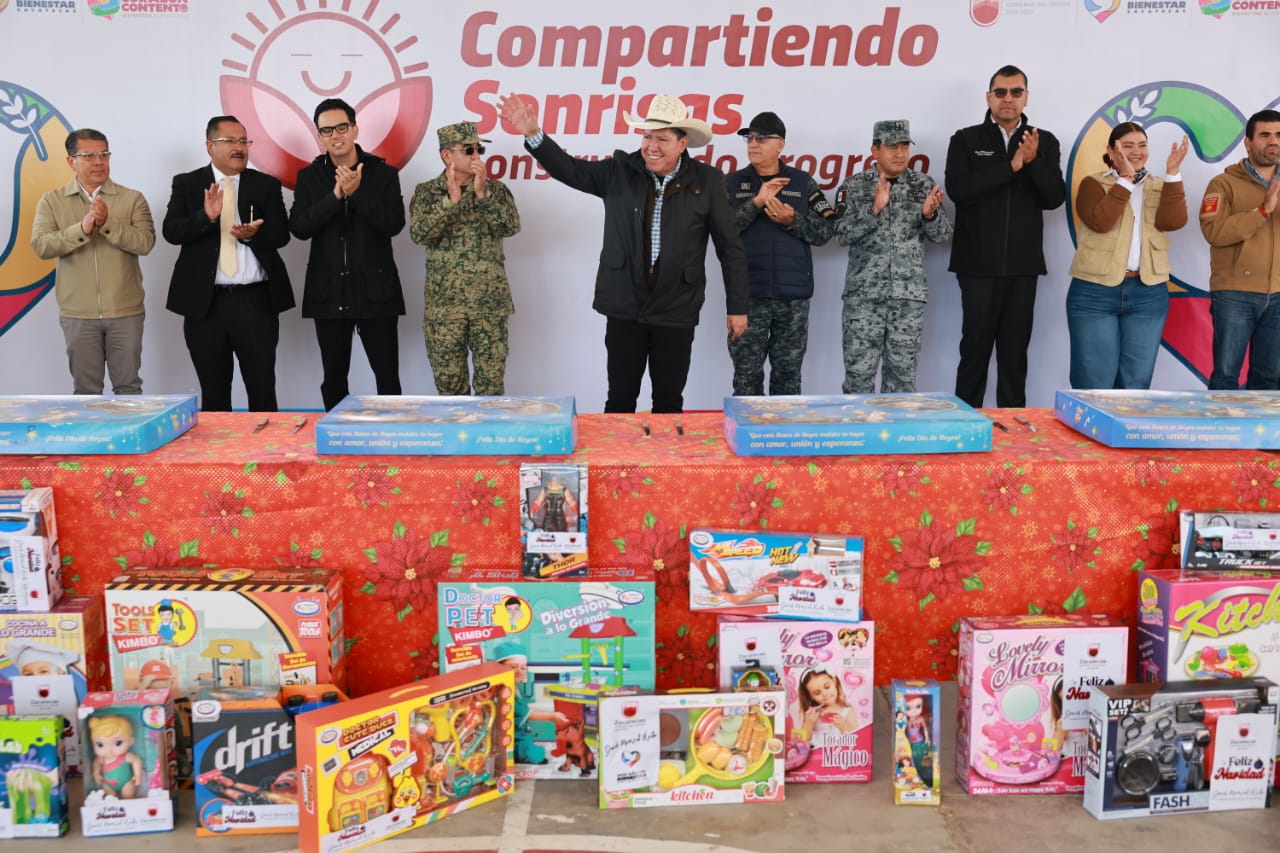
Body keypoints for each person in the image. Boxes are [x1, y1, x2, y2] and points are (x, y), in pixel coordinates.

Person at [498, 92, 749, 413]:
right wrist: (534, 134)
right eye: (647, 137)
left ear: (682, 143)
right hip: (624, 306)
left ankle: (663, 449)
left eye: (662, 139)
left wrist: (737, 307)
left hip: (677, 308)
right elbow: (570, 170)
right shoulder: (619, 170)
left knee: (669, 403)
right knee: (619, 400)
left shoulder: (708, 181)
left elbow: (730, 248)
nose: (652, 146)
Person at [946, 66, 1065, 408]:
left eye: (1015, 92)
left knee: (1014, 358)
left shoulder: (1044, 141)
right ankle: (965, 424)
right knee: (974, 353)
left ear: (1026, 97)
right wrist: (1011, 167)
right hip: (977, 267)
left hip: (1023, 267)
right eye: (1000, 92)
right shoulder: (965, 139)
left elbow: (1053, 198)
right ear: (989, 98)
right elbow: (959, 191)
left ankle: (1013, 431)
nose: (1008, 99)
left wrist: (1033, 162)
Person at [163, 115, 293, 412]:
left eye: (243, 141)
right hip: (205, 305)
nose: (239, 147)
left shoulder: (266, 185)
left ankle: (265, 444)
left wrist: (253, 236)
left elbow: (281, 235)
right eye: (230, 141)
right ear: (210, 146)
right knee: (214, 393)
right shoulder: (187, 183)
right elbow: (172, 231)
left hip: (255, 302)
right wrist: (205, 217)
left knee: (262, 389)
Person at [289, 98, 406, 411]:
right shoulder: (309, 176)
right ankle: (337, 436)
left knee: (387, 377)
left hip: (376, 291)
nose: (335, 135)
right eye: (326, 130)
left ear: (355, 129)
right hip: (328, 292)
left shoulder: (383, 173)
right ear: (319, 136)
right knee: (334, 378)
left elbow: (393, 224)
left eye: (341, 127)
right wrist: (335, 196)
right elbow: (299, 227)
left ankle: (391, 434)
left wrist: (357, 194)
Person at [30, 129, 155, 396]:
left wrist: (107, 224)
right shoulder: (52, 201)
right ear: (71, 161)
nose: (98, 162)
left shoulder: (132, 198)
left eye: (104, 155)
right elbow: (41, 245)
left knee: (129, 388)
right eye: (88, 156)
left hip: (125, 312)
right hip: (78, 314)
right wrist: (82, 230)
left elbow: (145, 243)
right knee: (86, 391)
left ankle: (129, 426)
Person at [1067, 122, 1189, 390]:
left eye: (1142, 145)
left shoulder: (1159, 185)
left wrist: (1173, 173)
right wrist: (1125, 179)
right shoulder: (1093, 183)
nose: (1136, 151)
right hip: (1095, 292)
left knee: (1136, 383)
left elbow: (1174, 221)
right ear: (1111, 150)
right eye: (1127, 146)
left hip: (1148, 294)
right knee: (1093, 383)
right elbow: (1101, 222)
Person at [835, 119, 952, 394]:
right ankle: (860, 426)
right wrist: (873, 210)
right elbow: (839, 234)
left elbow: (943, 234)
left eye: (904, 147)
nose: (900, 153)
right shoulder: (854, 186)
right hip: (864, 300)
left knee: (902, 383)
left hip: (907, 299)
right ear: (875, 150)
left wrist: (929, 215)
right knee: (858, 381)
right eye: (892, 147)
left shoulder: (923, 185)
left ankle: (897, 425)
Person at [725, 111, 834, 396]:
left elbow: (826, 231)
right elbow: (722, 231)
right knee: (746, 380)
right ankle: (747, 427)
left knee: (788, 379)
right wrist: (756, 202)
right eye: (749, 138)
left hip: (792, 299)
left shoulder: (801, 182)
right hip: (748, 297)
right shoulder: (732, 184)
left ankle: (785, 427)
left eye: (762, 138)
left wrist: (792, 220)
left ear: (780, 145)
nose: (753, 144)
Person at [409, 121, 520, 396]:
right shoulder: (427, 192)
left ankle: (488, 427)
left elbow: (510, 227)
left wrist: (483, 196)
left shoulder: (496, 190)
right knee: (450, 390)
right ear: (447, 155)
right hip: (445, 309)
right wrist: (451, 202)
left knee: (490, 389)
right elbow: (420, 234)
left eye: (479, 149)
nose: (476, 155)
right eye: (468, 150)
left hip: (489, 306)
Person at [1200, 108, 1280, 389]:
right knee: (1225, 376)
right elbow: (1214, 231)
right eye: (1265, 135)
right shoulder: (1222, 184)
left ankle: (1265, 423)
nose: (1274, 141)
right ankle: (1220, 421)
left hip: (1279, 295)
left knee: (1270, 379)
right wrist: (1262, 211)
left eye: (1279, 135)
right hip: (1235, 294)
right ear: (1248, 142)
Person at [493, 640, 568, 764]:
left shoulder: (516, 687)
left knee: (537, 749)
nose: (519, 671)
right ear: (499, 667)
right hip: (511, 738)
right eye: (513, 667)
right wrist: (551, 716)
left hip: (521, 734)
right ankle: (517, 754)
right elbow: (526, 713)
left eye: (523, 668)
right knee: (536, 755)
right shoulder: (504, 691)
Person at [88, 714, 144, 799]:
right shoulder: (102, 758)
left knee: (128, 795)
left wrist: (137, 775)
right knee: (109, 797)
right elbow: (96, 763)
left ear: (130, 741)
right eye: (100, 744)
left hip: (126, 783)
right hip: (108, 785)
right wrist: (96, 773)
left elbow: (136, 761)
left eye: (118, 743)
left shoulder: (126, 756)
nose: (109, 750)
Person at [797, 666, 856, 739]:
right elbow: (802, 740)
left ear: (834, 681)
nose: (824, 694)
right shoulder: (813, 713)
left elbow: (856, 736)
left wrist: (842, 725)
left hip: (841, 746)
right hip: (817, 746)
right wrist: (808, 723)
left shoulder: (847, 709)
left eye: (827, 687)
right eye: (817, 693)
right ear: (810, 696)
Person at [904, 692, 934, 787]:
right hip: (911, 744)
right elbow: (903, 732)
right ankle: (917, 777)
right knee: (914, 760)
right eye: (908, 708)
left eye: (918, 706)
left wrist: (927, 738)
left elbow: (925, 729)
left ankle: (927, 777)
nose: (914, 711)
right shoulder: (906, 721)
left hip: (921, 742)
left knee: (926, 758)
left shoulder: (920, 719)